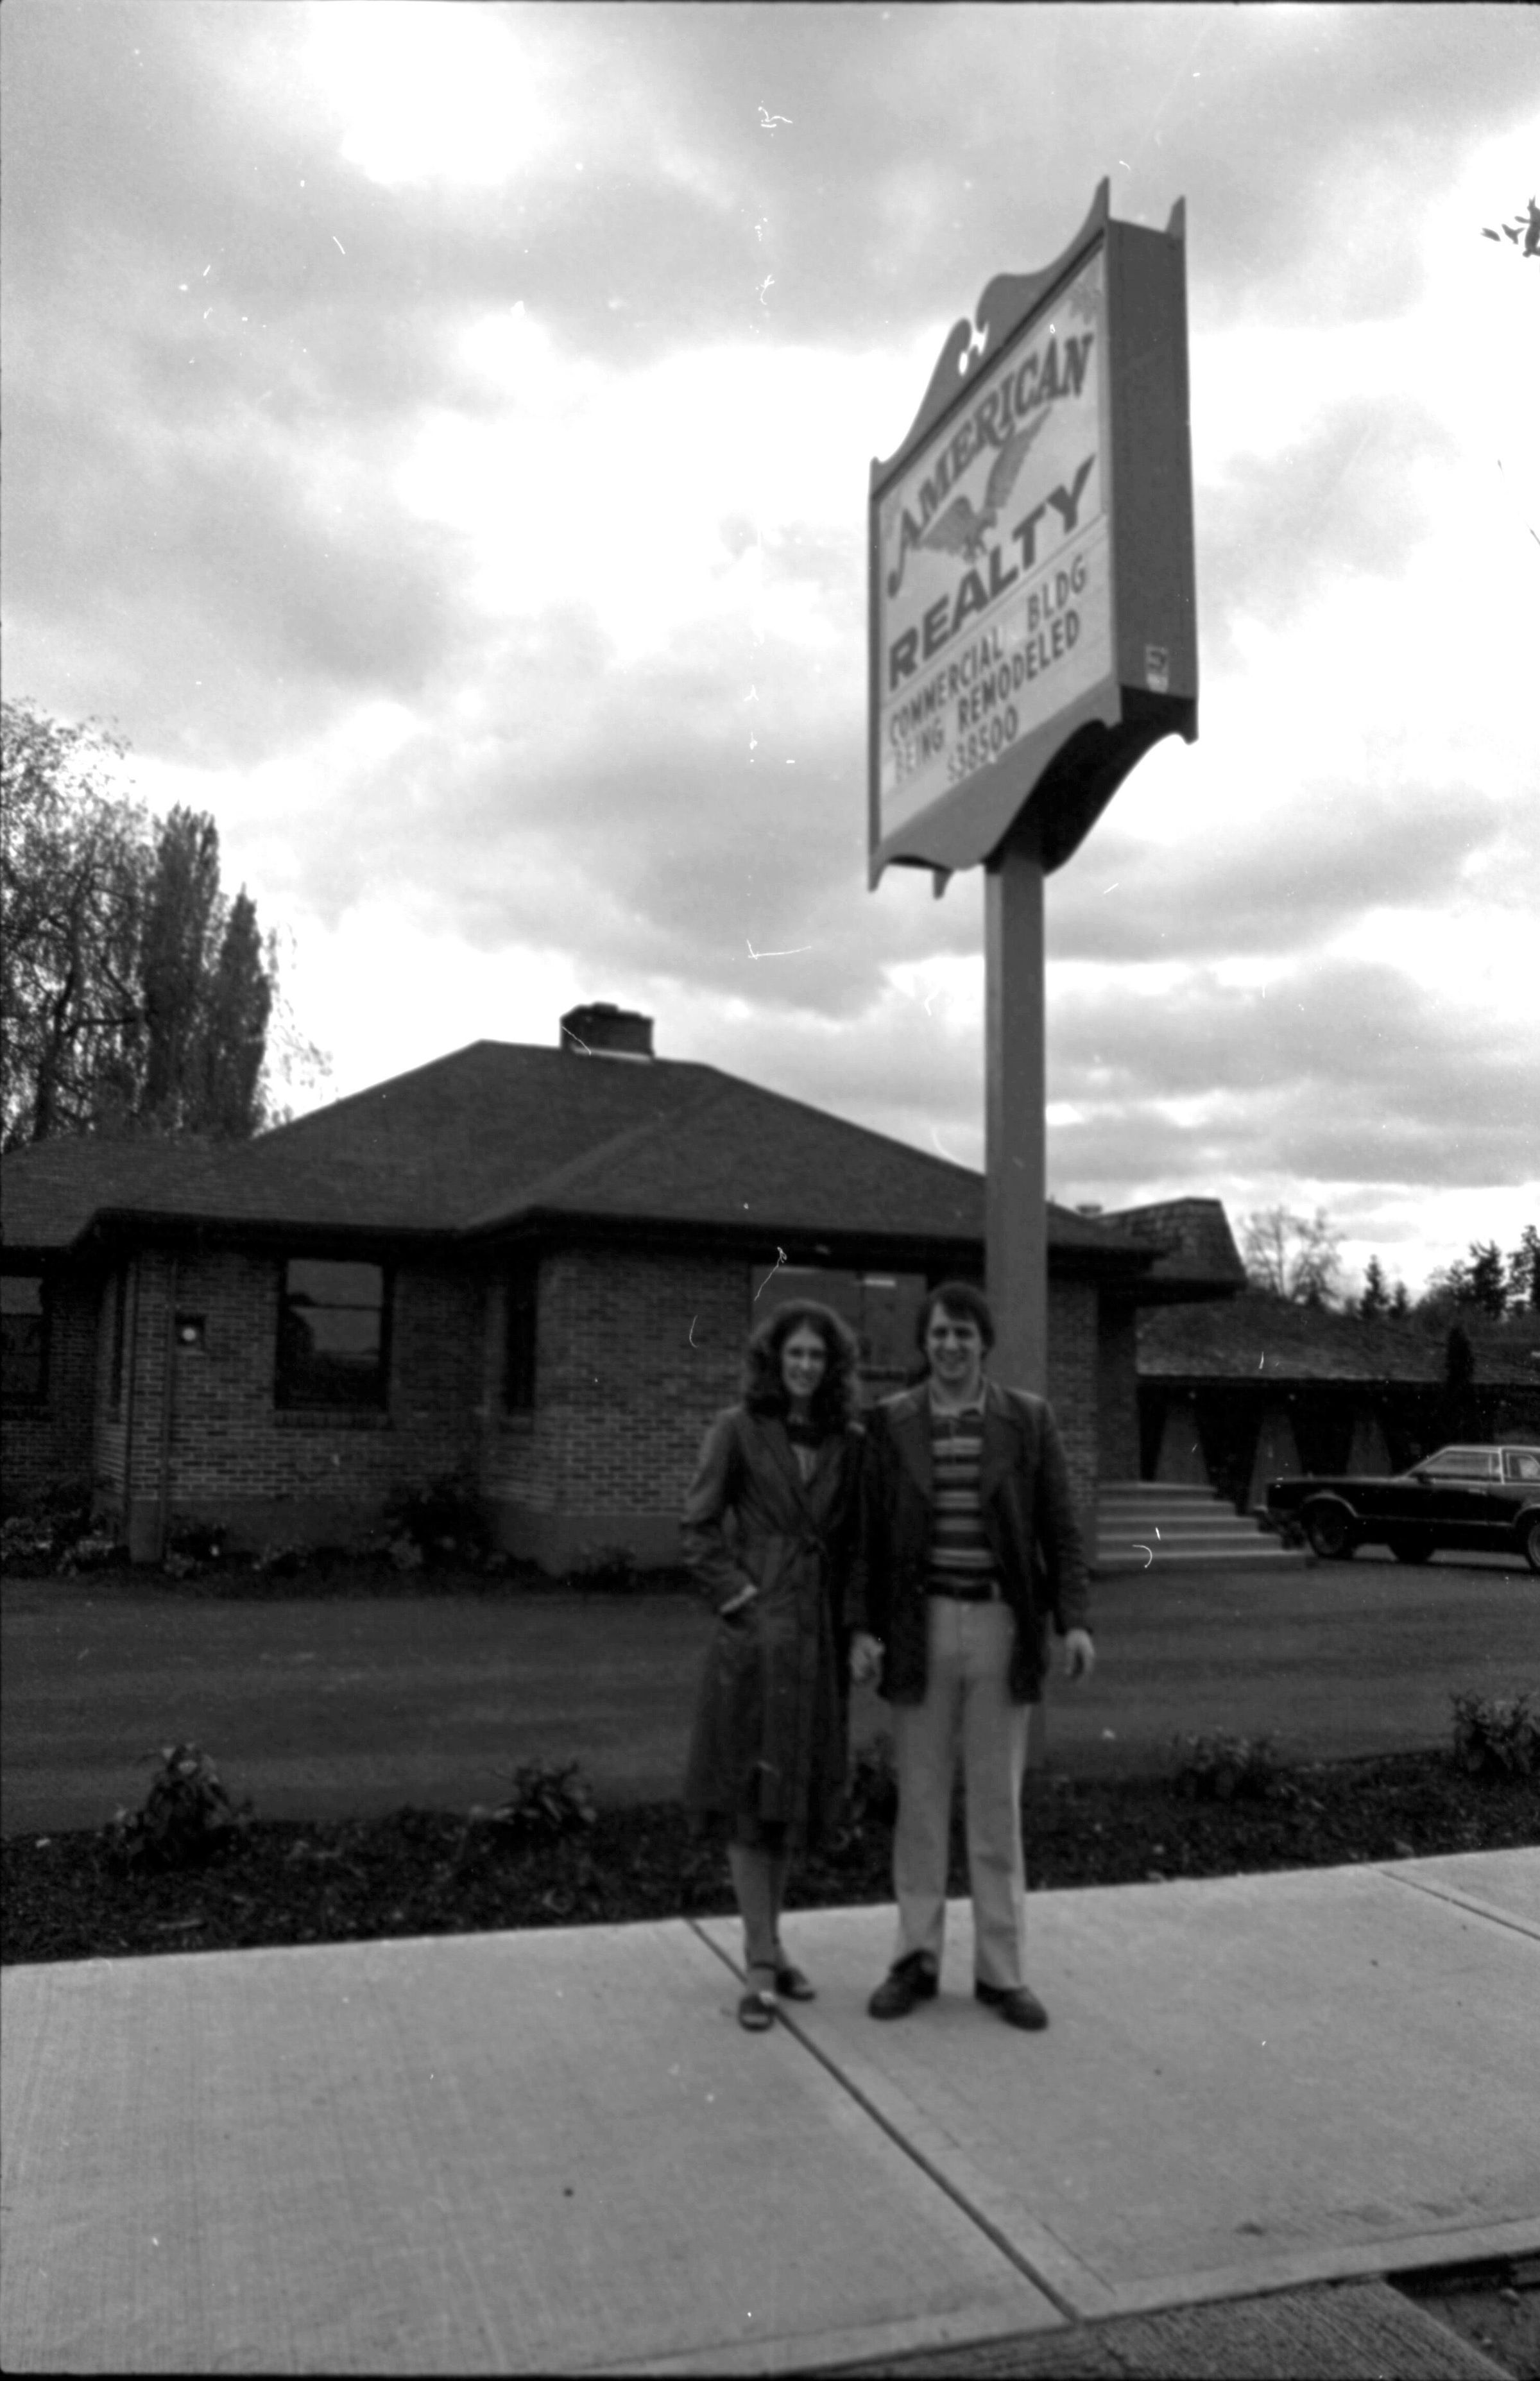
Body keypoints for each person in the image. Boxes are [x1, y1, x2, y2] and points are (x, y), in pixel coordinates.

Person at [847, 1280, 1094, 2031]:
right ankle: (914, 1959)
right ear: (924, 1344)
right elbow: (865, 1536)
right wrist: (862, 1628)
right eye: (939, 1333)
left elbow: (1061, 1527)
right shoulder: (891, 1422)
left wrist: (1073, 1621)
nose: (950, 1345)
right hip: (919, 1624)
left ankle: (1001, 1971)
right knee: (920, 1803)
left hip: (1000, 1625)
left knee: (995, 1805)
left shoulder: (1028, 1419)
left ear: (984, 1342)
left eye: (963, 1333)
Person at [681, 1299, 865, 2031]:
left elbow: (856, 1543)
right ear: (774, 1360)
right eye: (796, 1354)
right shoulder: (737, 1429)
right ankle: (759, 1959)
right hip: (756, 1639)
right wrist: (739, 1597)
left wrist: (856, 1627)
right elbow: (698, 1527)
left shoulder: (848, 1441)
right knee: (747, 1793)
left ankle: (773, 1942)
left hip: (815, 1638)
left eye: (818, 1355)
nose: (806, 1366)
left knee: (789, 1797)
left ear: (832, 1365)